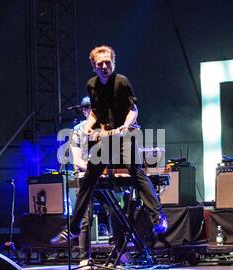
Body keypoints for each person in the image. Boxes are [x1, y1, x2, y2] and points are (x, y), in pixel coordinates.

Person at [52, 45, 167, 252]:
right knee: (89, 179)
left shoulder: (122, 82)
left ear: (113, 63)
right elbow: (96, 112)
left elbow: (133, 108)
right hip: (105, 136)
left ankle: (158, 217)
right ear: (94, 66)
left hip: (125, 133)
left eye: (108, 63)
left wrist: (126, 126)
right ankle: (74, 227)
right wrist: (88, 127)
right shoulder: (92, 85)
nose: (104, 66)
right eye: (100, 64)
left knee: (136, 172)